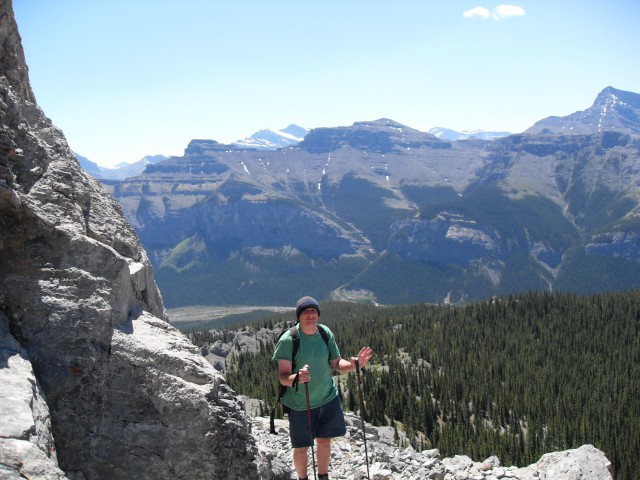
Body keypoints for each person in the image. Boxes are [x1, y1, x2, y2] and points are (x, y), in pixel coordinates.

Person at [272, 296, 373, 480]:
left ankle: (323, 476)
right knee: (302, 447)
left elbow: (336, 363)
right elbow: (283, 377)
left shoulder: (325, 333)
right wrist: (297, 378)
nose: (310, 314)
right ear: (299, 315)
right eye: (306, 311)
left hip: (328, 398)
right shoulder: (288, 340)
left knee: (325, 441)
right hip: (300, 404)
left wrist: (354, 365)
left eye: (314, 310)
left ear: (318, 313)